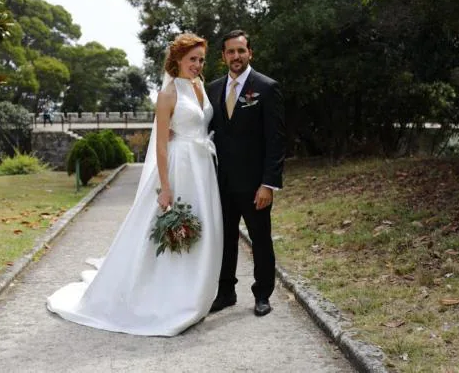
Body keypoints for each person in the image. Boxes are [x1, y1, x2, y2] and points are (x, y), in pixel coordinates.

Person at [47, 33, 223, 336]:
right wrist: (165, 187)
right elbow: (162, 146)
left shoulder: (199, 86)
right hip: (180, 166)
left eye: (201, 59)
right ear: (177, 60)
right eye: (192, 59)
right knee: (172, 226)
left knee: (203, 227)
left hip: (203, 167)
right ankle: (169, 296)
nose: (197, 65)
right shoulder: (168, 93)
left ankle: (197, 293)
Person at [206, 30, 285, 317]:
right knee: (224, 240)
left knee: (260, 240)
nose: (236, 57)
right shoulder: (212, 89)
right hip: (220, 183)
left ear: (250, 52)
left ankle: (262, 294)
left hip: (254, 185)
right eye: (230, 52)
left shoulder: (266, 87)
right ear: (223, 56)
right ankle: (225, 292)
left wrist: (268, 184)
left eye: (241, 51)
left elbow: (275, 141)